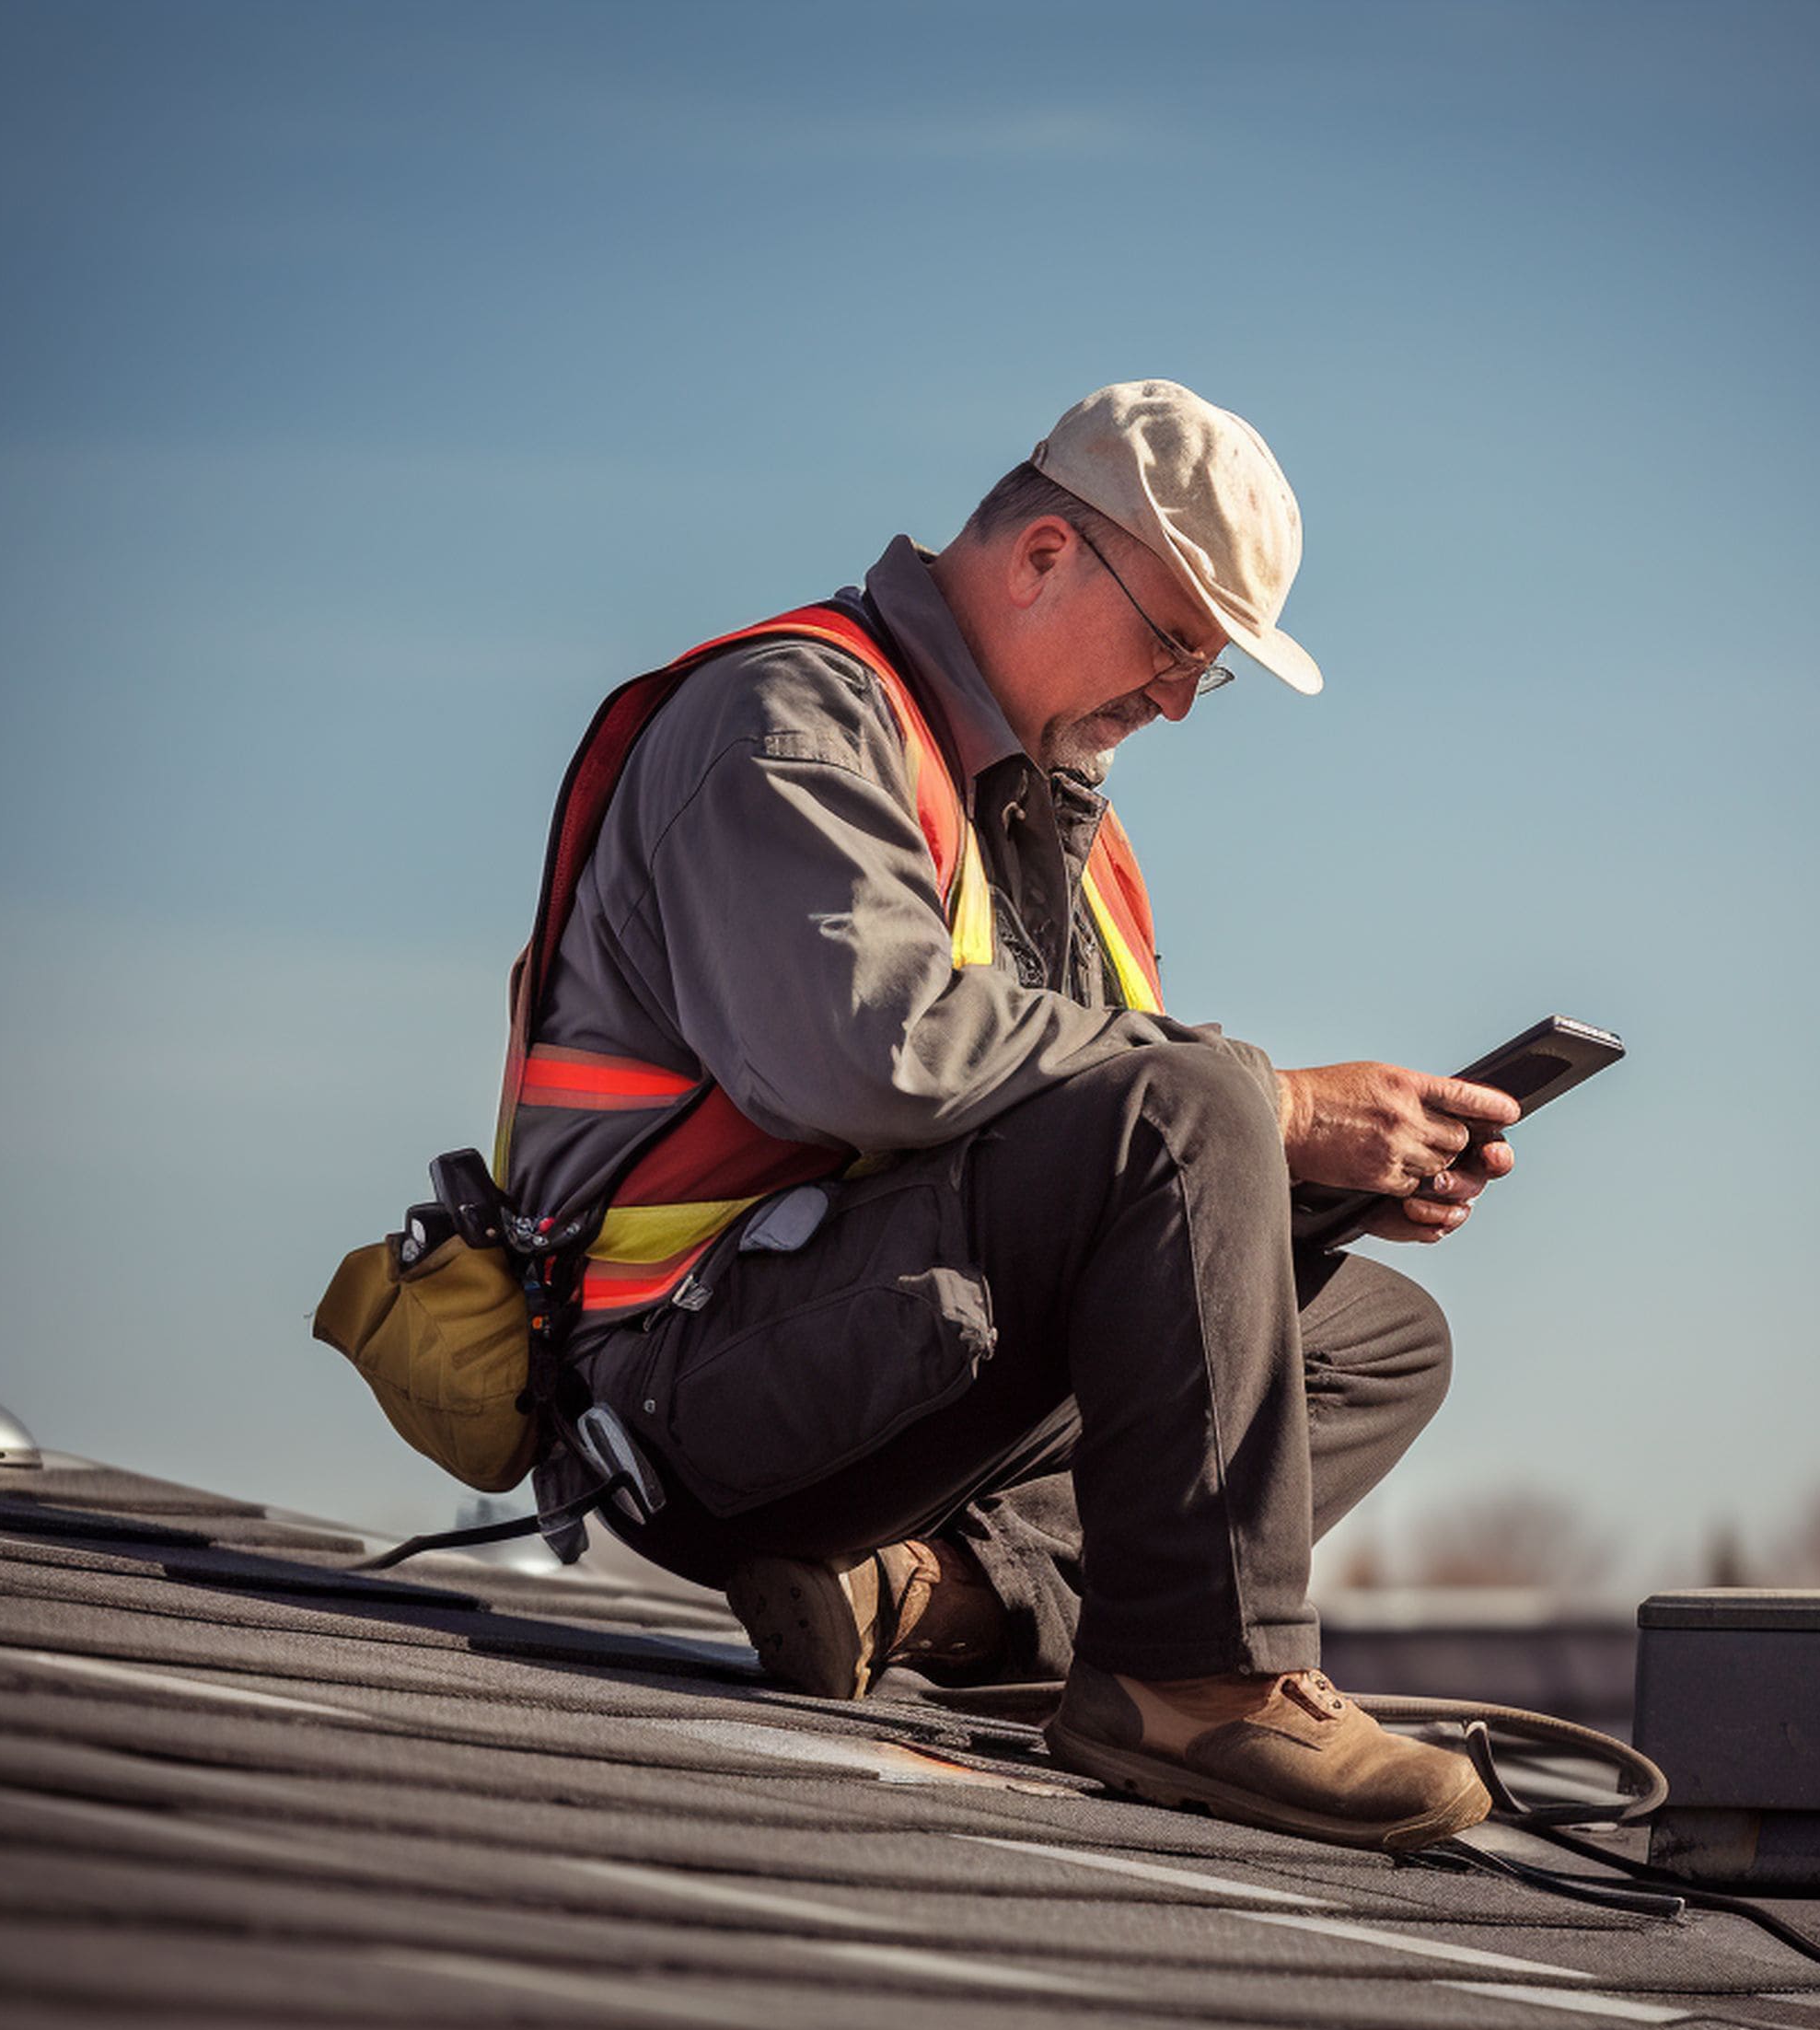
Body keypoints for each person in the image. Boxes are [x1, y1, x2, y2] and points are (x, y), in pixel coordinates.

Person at [499, 380, 1518, 1851]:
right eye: (1177, 640)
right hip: (691, 1382)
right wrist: (1271, 1107)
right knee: (1193, 1101)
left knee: (1375, 1339)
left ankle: (933, 1592)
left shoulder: (1065, 827)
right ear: (1044, 555)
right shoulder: (790, 715)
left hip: (875, 1348)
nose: (1178, 698)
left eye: (1207, 671)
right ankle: (1196, 1680)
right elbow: (867, 1054)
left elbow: (1086, 1173)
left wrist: (1314, 1187)